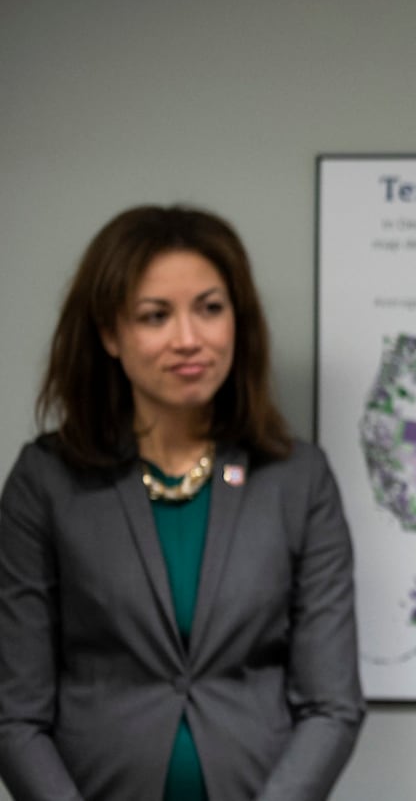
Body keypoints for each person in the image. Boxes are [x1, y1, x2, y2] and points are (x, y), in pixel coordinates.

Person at [0, 205, 366, 801]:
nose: (188, 338)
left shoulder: (298, 480)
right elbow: (15, 716)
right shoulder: (46, 482)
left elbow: (333, 706)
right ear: (110, 333)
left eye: (210, 309)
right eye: (155, 316)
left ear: (237, 322)